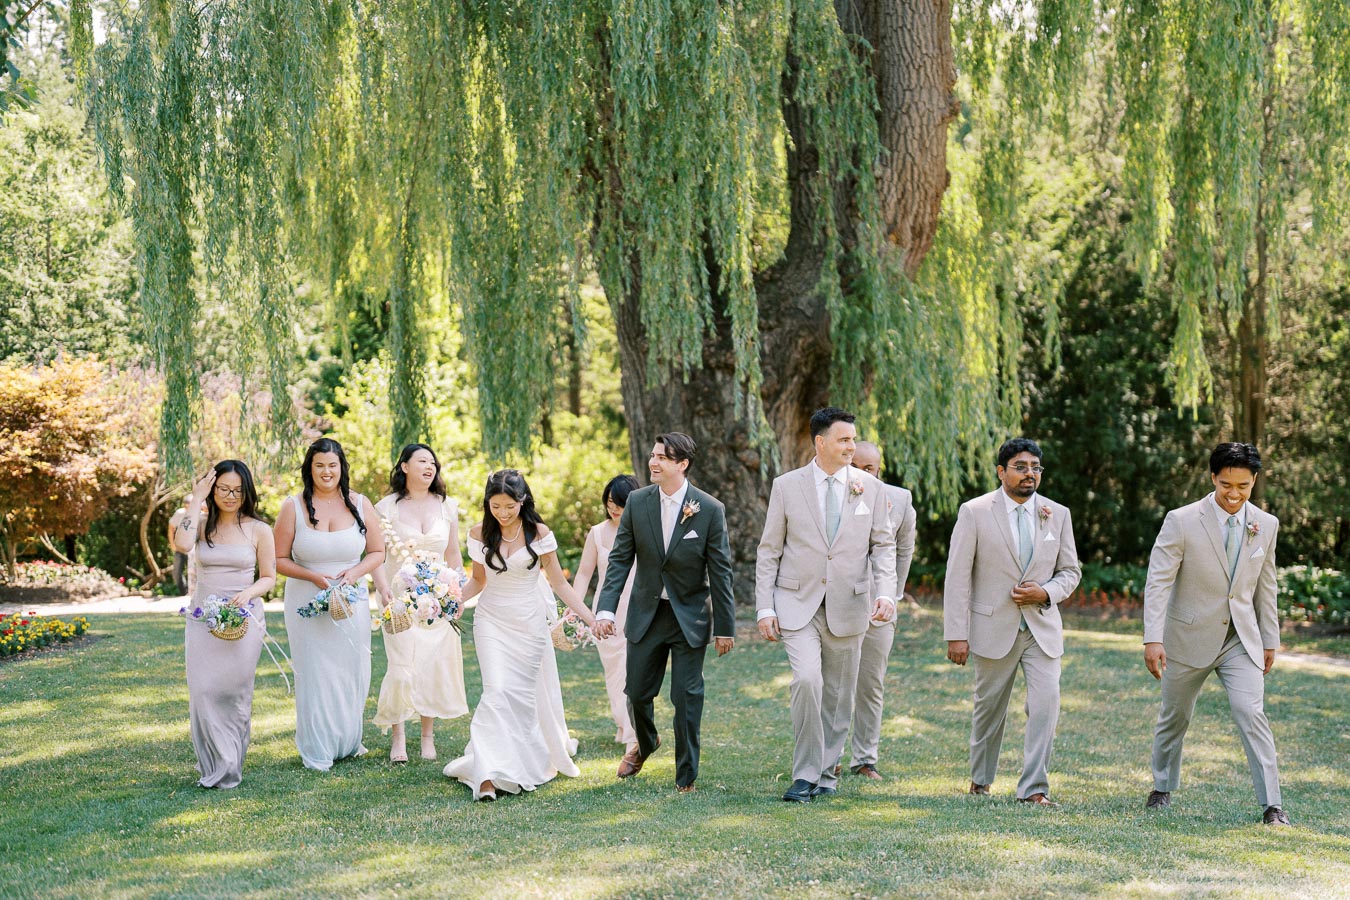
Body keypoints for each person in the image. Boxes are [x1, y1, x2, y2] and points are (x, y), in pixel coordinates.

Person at [1142, 443, 1289, 825]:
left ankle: (1272, 805)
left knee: (1250, 712)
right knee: (1175, 715)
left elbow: (1265, 586)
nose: (1235, 494)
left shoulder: (1266, 525)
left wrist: (1269, 639)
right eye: (1226, 484)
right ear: (1212, 477)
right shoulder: (1182, 520)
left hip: (1241, 639)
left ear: (1254, 480)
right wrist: (1152, 639)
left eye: (1243, 485)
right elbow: (1158, 582)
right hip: (1186, 638)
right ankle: (1161, 787)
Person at [756, 408, 898, 803]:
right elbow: (769, 551)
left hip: (850, 604)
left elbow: (883, 546)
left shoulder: (869, 488)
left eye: (854, 439)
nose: (852, 446)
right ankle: (804, 775)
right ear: (820, 443)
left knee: (837, 695)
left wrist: (885, 593)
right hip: (796, 602)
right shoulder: (786, 486)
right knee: (807, 681)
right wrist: (765, 608)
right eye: (844, 439)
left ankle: (825, 773)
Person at [593, 432, 736, 794]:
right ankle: (647, 739)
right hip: (646, 613)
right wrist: (606, 609)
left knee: (687, 696)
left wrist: (725, 626)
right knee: (638, 693)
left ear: (682, 464)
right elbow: (619, 560)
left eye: (662, 457)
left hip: (690, 617)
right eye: (653, 455)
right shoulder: (638, 503)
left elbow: (720, 572)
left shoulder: (709, 509)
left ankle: (685, 776)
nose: (653, 462)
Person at [444, 470, 597, 801]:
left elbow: (559, 583)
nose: (502, 513)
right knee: (496, 691)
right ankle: (485, 774)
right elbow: (479, 581)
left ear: (522, 501)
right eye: (496, 506)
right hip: (491, 621)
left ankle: (520, 762)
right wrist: (454, 601)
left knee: (521, 699)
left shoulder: (539, 533)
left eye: (509, 506)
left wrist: (590, 617)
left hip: (529, 624)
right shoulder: (478, 533)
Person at [943, 438, 1081, 807]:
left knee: (1046, 702)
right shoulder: (974, 512)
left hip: (1041, 627)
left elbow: (1071, 571)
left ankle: (1034, 787)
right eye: (1021, 466)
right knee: (989, 708)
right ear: (1001, 471)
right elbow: (957, 576)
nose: (1030, 474)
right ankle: (981, 779)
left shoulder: (1058, 513)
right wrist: (956, 634)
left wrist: (1047, 591)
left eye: (1035, 467)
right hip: (992, 627)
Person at [275, 438, 385, 771]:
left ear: (342, 468)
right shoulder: (292, 507)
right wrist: (312, 577)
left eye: (332, 465)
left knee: (351, 670)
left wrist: (354, 573)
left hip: (351, 601)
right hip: (306, 599)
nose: (326, 471)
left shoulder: (361, 503)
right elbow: (277, 559)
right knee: (316, 673)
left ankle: (348, 740)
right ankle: (318, 747)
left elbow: (378, 552)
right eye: (319, 465)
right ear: (310, 468)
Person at [173, 460, 276, 789]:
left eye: (237, 490)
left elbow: (270, 578)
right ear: (213, 491)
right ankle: (214, 762)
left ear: (247, 492)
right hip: (204, 618)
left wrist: (248, 593)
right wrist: (196, 497)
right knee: (203, 691)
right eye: (223, 489)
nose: (230, 496)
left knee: (235, 692)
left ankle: (231, 762)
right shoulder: (200, 525)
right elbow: (181, 544)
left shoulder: (259, 529)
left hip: (244, 618)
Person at [371, 444, 469, 763]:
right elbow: (374, 554)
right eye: (422, 461)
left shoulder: (446, 506)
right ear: (404, 467)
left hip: (437, 599)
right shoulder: (385, 508)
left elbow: (453, 553)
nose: (429, 467)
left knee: (431, 665)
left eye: (432, 462)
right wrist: (383, 588)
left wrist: (457, 592)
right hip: (398, 598)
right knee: (401, 666)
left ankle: (427, 737)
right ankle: (398, 737)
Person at [842, 440, 916, 780]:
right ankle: (829, 755)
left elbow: (903, 551)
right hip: (836, 602)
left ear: (879, 470)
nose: (862, 473)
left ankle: (865, 758)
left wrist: (892, 595)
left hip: (877, 606)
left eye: (870, 468)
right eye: (857, 465)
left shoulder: (899, 500)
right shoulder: (827, 494)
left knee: (871, 683)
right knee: (835, 683)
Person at [571, 474, 642, 755]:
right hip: (606, 612)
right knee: (613, 672)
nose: (614, 509)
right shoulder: (597, 532)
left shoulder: (643, 530)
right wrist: (577, 610)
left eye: (620, 504)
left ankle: (632, 735)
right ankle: (622, 722)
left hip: (638, 609)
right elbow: (585, 573)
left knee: (631, 672)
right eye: (611, 502)